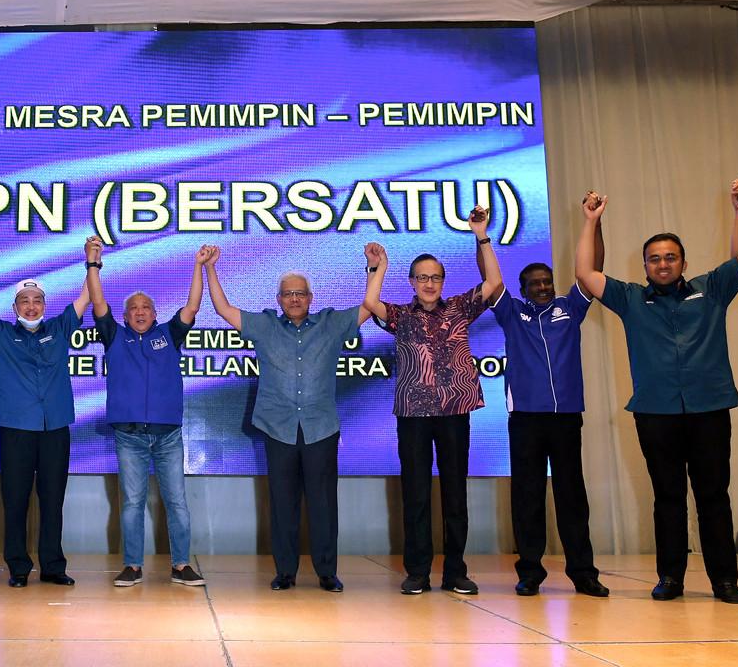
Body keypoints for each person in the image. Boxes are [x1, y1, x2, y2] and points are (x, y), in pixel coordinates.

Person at [575, 177, 738, 604]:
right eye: (654, 259)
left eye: (670, 257)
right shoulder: (629, 298)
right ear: (644, 265)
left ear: (683, 262)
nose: (663, 265)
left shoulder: (712, 289)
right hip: (655, 413)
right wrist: (591, 221)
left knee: (713, 497)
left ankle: (724, 580)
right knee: (668, 497)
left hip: (709, 409)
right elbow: (585, 272)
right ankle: (670, 578)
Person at [206, 246, 369, 592]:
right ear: (278, 299)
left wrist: (374, 268)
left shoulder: (331, 324)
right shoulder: (264, 325)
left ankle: (327, 572)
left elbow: (369, 307)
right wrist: (209, 268)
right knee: (282, 503)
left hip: (320, 427)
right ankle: (285, 572)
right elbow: (222, 308)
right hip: (277, 427)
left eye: (300, 293)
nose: (294, 299)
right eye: (288, 294)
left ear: (311, 297)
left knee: (323, 503)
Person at [363, 206, 502, 596]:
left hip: (455, 412)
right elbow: (371, 302)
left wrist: (480, 234)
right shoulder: (401, 315)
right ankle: (418, 572)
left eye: (435, 277)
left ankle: (456, 571)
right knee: (416, 494)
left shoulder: (459, 307)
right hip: (413, 414)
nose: (429, 283)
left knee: (455, 493)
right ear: (412, 282)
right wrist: (378, 266)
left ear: (443, 280)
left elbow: (493, 282)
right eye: (422, 277)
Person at [480, 192, 609, 597]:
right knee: (528, 496)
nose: (541, 287)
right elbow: (492, 281)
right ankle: (530, 572)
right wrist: (482, 236)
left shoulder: (570, 308)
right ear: (522, 289)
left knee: (572, 497)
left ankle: (583, 573)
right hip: (526, 420)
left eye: (546, 282)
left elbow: (594, 270)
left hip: (567, 418)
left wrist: (593, 222)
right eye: (534, 283)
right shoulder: (512, 314)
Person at [85, 237, 207, 588]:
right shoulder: (114, 336)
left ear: (155, 314)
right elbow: (97, 300)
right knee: (132, 503)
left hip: (168, 435)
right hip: (129, 436)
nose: (140, 312)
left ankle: (181, 565)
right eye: (134, 308)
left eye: (146, 307)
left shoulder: (169, 334)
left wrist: (198, 266)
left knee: (177, 502)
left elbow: (192, 305)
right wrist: (93, 265)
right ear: (125, 317)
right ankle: (133, 566)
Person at [0, 245, 92, 588]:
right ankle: (18, 568)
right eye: (24, 301)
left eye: (37, 300)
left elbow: (86, 298)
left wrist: (92, 263)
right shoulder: (0, 333)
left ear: (45, 305)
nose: (31, 305)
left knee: (52, 500)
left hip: (55, 427)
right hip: (16, 429)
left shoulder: (60, 328)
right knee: (16, 499)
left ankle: (52, 566)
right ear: (15, 308)